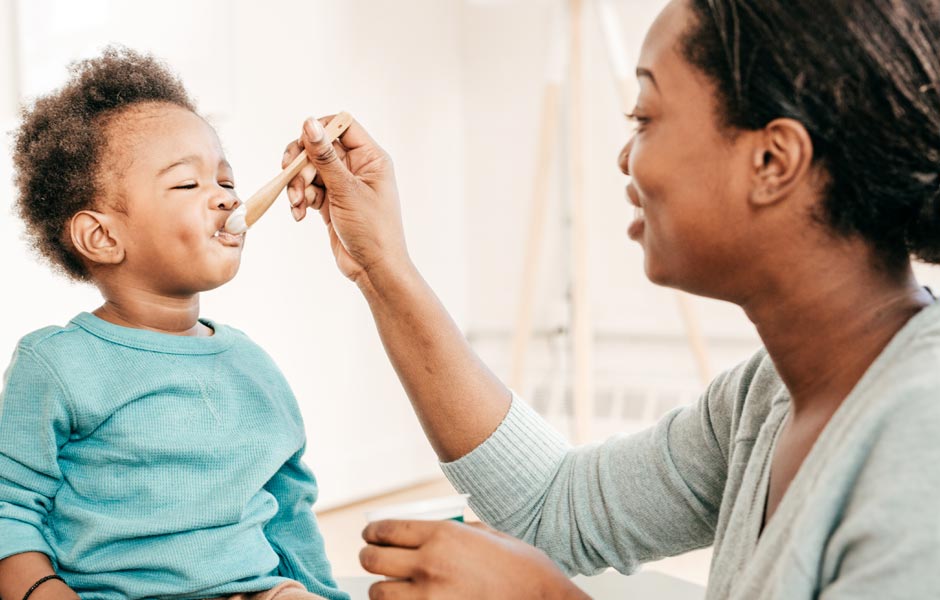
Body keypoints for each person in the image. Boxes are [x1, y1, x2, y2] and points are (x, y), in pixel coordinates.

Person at [282, 0, 940, 598]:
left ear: (772, 161)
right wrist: (382, 265)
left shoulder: (922, 433)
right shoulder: (767, 397)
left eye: (644, 118)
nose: (626, 157)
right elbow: (553, 504)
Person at [0, 48, 346, 600]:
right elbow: (9, 508)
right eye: (188, 185)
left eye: (226, 181)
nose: (225, 197)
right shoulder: (57, 366)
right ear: (102, 236)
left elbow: (289, 509)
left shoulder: (252, 365)